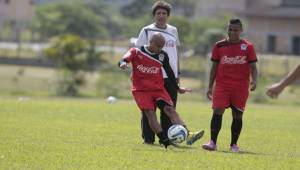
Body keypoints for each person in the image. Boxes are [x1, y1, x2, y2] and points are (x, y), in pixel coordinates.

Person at [119, 33, 204, 148]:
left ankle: (188, 134)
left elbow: (169, 72)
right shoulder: (136, 51)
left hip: (158, 89)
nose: (160, 49)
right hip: (141, 90)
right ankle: (164, 140)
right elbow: (123, 59)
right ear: (150, 42)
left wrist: (178, 87)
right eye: (158, 46)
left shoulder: (162, 55)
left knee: (170, 109)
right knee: (150, 113)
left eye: (162, 46)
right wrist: (123, 63)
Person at [202, 19, 258, 152]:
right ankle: (212, 142)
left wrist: (254, 80)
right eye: (230, 29)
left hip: (241, 86)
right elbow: (214, 67)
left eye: (236, 30)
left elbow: (254, 67)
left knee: (238, 115)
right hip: (222, 85)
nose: (232, 32)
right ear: (227, 30)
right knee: (217, 111)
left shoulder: (248, 47)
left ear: (241, 31)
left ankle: (234, 144)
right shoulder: (219, 46)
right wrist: (210, 86)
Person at [135, 0, 183, 145]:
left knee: (169, 108)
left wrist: (178, 74)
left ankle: (169, 138)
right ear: (154, 15)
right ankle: (148, 139)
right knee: (149, 109)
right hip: (151, 76)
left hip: (171, 76)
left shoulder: (173, 30)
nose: (161, 15)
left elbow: (176, 52)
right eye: (158, 13)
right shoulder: (146, 30)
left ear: (168, 15)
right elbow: (138, 53)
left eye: (164, 13)